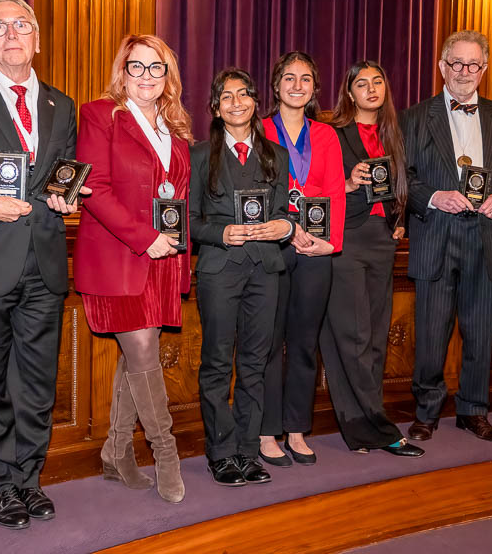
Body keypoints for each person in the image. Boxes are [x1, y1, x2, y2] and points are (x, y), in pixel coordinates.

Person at [0, 0, 90, 529]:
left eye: (22, 24)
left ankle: (29, 477)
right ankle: (0, 483)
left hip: (44, 264)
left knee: (38, 382)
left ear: (38, 40)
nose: (12, 33)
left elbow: (57, 178)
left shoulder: (59, 105)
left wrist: (65, 198)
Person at [73, 34, 192, 503]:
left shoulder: (176, 125)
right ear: (122, 71)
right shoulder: (99, 114)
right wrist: (147, 239)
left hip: (165, 258)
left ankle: (116, 452)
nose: (146, 76)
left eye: (156, 67)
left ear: (168, 76)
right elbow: (94, 189)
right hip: (119, 255)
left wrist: (174, 249)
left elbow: (178, 196)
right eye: (136, 66)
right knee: (142, 352)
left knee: (135, 359)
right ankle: (166, 453)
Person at [400, 30, 492, 443]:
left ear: (484, 69)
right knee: (432, 334)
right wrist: (435, 196)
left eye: (473, 65)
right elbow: (405, 179)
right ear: (442, 66)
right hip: (436, 234)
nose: (465, 72)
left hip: (486, 238)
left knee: (480, 332)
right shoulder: (415, 117)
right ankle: (427, 411)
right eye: (457, 63)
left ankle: (474, 410)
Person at [190, 68, 293, 486]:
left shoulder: (277, 156)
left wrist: (283, 228)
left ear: (255, 102)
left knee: (255, 363)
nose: (236, 103)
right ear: (216, 108)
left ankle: (248, 451)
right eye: (226, 97)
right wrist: (221, 232)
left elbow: (287, 212)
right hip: (219, 270)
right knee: (217, 363)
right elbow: (188, 222)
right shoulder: (199, 155)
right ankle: (221, 452)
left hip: (266, 270)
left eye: (244, 95)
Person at [318, 60, 423, 457]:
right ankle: (375, 427)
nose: (372, 88)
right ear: (350, 92)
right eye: (362, 83)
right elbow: (317, 188)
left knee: (376, 336)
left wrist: (401, 220)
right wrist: (346, 183)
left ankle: (361, 427)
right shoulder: (334, 134)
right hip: (348, 238)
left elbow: (407, 181)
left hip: (383, 240)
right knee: (354, 335)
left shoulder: (395, 132)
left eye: (378, 81)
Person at [260, 51, 345, 466]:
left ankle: (296, 428)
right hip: (274, 246)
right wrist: (285, 232)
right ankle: (266, 430)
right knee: (270, 343)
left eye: (306, 79)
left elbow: (335, 190)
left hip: (316, 250)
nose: (297, 85)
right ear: (275, 86)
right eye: (289, 78)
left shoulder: (326, 136)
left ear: (314, 89)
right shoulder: (258, 130)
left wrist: (330, 242)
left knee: (305, 343)